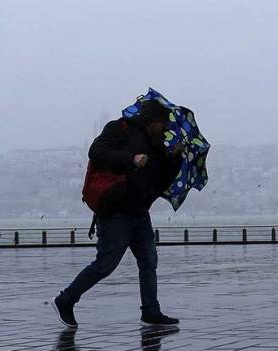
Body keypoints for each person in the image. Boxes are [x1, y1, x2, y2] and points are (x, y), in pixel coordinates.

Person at [52, 100, 184, 328]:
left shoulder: (158, 145)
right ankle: (66, 299)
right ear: (152, 121)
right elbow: (96, 151)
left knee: (148, 261)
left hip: (140, 213)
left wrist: (175, 157)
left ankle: (151, 311)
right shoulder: (119, 129)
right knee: (106, 264)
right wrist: (131, 159)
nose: (165, 129)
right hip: (115, 213)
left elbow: (162, 181)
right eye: (163, 124)